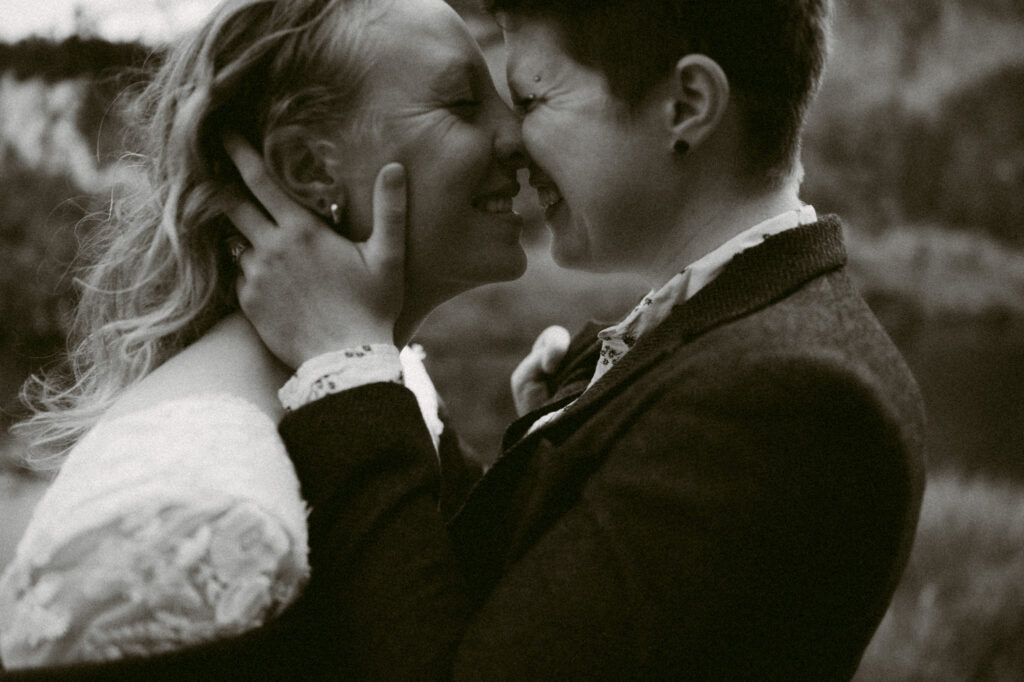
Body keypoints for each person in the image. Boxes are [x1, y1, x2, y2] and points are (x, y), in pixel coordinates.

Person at [3, 0, 927, 679]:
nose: (516, 142)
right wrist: (548, 455)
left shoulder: (789, 397)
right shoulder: (738, 339)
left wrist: (347, 367)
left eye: (531, 97)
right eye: (478, 104)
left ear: (687, 105)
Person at [0, 0, 525, 672]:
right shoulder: (190, 516)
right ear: (309, 166)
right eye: (461, 102)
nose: (517, 136)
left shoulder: (368, 389)